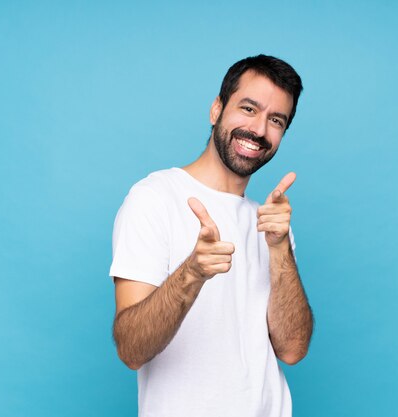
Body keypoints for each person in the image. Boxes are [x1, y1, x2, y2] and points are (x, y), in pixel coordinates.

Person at [109, 54, 313, 417]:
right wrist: (193, 272)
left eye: (276, 120)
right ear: (216, 110)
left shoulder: (270, 222)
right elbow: (130, 350)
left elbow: (292, 350)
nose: (260, 129)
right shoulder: (154, 198)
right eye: (248, 108)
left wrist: (280, 248)